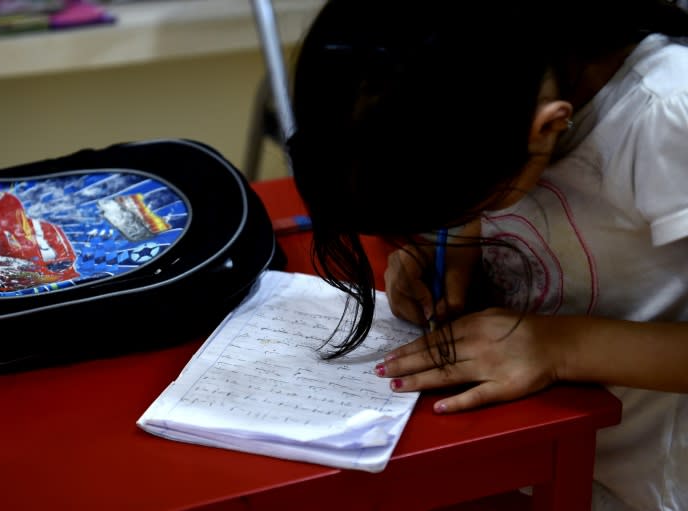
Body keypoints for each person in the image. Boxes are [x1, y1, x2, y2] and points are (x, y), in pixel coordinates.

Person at [286, 1, 688, 510]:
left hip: (647, 483)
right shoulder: (494, 72)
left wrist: (555, 348)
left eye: (480, 202)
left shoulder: (668, 116)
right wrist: (450, 248)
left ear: (546, 128)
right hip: (531, 458)